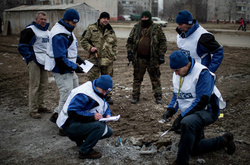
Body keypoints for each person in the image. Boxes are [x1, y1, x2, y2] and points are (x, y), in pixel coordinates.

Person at [162, 51, 236, 165]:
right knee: (193, 149)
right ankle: (225, 140)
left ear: (186, 64)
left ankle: (181, 162)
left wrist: (181, 117)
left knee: (187, 123)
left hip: (208, 110)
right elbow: (176, 95)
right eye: (174, 71)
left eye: (177, 70)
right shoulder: (179, 73)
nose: (175, 74)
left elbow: (201, 102)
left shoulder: (202, 73)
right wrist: (171, 109)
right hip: (192, 112)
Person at [56, 75, 113, 159]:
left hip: (77, 122)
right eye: (103, 90)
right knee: (100, 127)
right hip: (68, 124)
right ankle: (85, 151)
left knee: (108, 131)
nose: (105, 93)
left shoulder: (97, 90)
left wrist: (108, 114)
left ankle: (79, 140)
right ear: (98, 86)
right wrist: (92, 117)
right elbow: (73, 113)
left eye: (107, 91)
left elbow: (104, 105)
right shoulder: (84, 94)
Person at [46, 9, 85, 126]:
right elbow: (60, 58)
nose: (75, 25)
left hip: (68, 68)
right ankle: (63, 124)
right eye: (73, 23)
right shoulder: (59, 34)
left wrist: (78, 59)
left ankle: (56, 114)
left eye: (76, 23)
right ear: (66, 20)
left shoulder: (67, 30)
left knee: (75, 91)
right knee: (66, 95)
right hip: (62, 70)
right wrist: (76, 67)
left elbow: (70, 49)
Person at [126, 10, 167, 104]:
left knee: (155, 79)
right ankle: (135, 96)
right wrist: (130, 52)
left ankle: (158, 97)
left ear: (150, 18)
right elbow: (130, 40)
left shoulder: (156, 28)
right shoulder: (136, 27)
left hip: (153, 59)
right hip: (139, 59)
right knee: (137, 78)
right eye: (143, 17)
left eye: (146, 17)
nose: (144, 19)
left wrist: (161, 54)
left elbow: (163, 41)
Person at [18, 11, 51, 119]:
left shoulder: (47, 32)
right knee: (34, 85)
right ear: (36, 19)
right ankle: (33, 109)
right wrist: (30, 58)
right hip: (34, 60)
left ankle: (41, 105)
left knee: (44, 84)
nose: (43, 21)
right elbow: (22, 46)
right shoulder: (30, 30)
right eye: (41, 19)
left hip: (45, 61)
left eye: (45, 19)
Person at [80, 12, 117, 105]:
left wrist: (113, 55)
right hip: (94, 60)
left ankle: (107, 96)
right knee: (92, 79)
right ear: (100, 19)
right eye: (104, 18)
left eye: (107, 18)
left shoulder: (111, 31)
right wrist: (90, 48)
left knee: (107, 79)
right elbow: (83, 41)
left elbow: (115, 45)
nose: (106, 20)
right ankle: (92, 96)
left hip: (107, 60)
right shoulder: (91, 28)